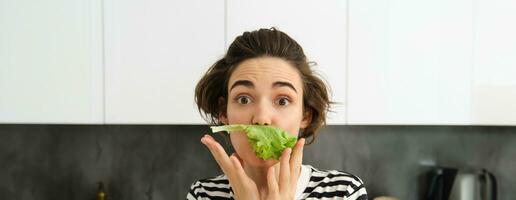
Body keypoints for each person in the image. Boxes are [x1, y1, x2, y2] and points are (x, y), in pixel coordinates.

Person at [187, 28, 368, 200]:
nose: (262, 118)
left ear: (305, 116)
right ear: (223, 112)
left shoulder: (343, 193)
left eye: (282, 101)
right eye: (243, 99)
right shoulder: (204, 194)